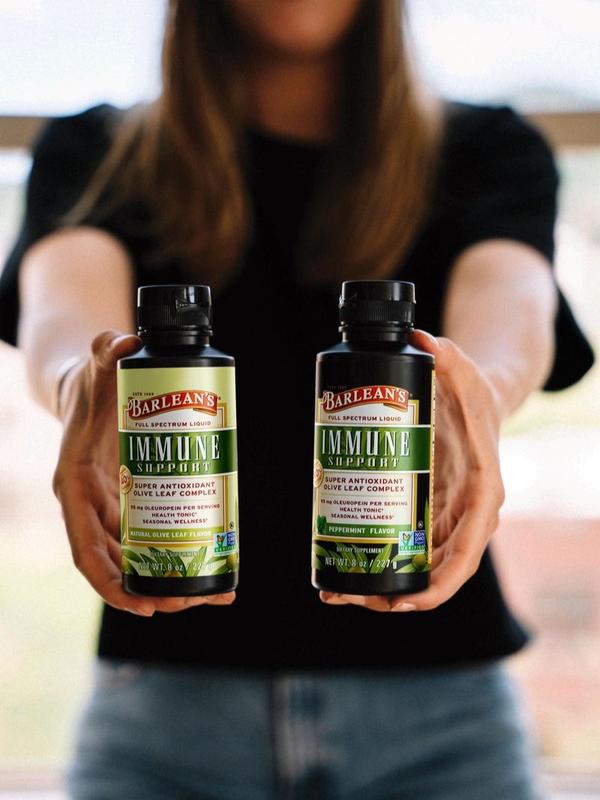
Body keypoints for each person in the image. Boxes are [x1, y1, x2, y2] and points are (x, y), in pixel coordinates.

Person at [0, 1, 594, 798]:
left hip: (443, 721)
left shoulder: (486, 149)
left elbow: (513, 303)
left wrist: (476, 393)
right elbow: (62, 311)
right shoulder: (97, 151)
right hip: (165, 719)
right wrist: (84, 385)